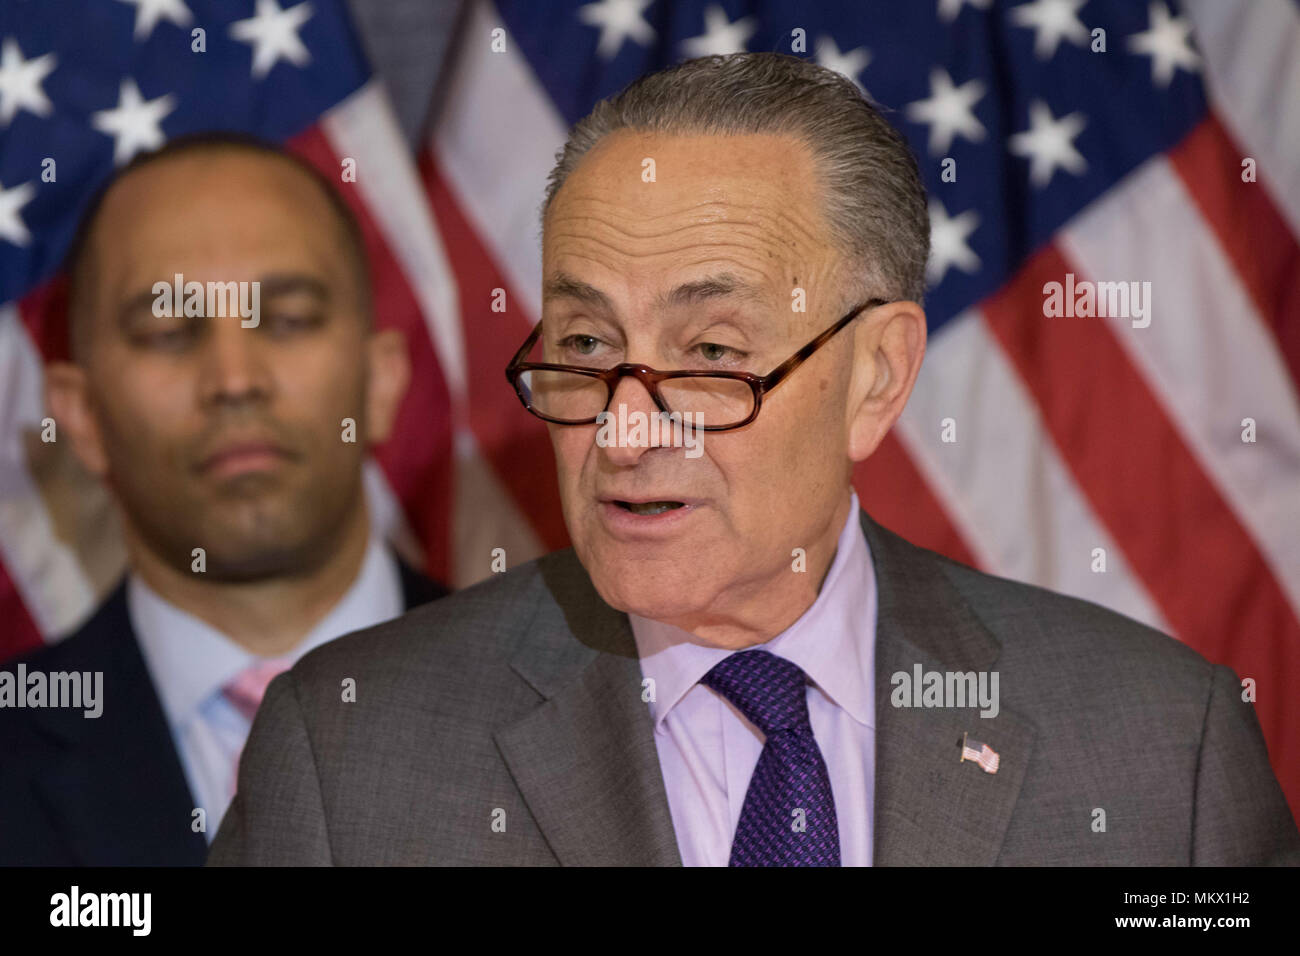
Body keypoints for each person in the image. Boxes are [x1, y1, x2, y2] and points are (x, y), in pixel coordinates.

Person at [209, 54, 1298, 866]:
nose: (625, 431)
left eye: (711, 355)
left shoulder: (1162, 752)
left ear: (877, 374)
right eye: (586, 346)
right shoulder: (348, 760)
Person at [0, 135, 446, 865]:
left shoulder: (599, 715)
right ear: (79, 415)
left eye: (290, 319)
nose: (235, 378)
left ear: (382, 381)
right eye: (170, 332)